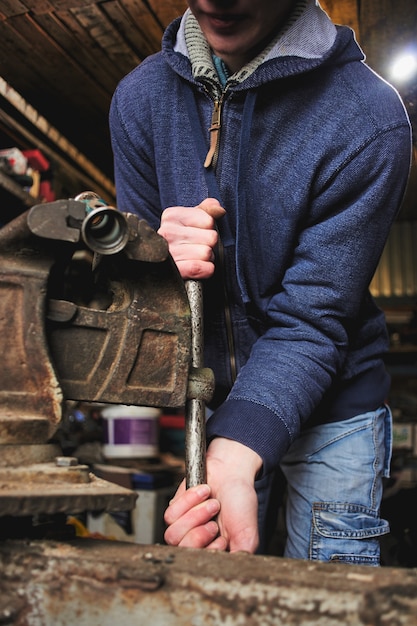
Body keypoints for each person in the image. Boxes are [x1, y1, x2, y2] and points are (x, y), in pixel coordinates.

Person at [109, 0, 412, 564]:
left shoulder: (370, 119)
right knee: (221, 594)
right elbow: (142, 303)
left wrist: (232, 454)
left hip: (335, 411)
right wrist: (151, 263)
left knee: (329, 599)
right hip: (213, 406)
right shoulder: (139, 99)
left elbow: (312, 320)